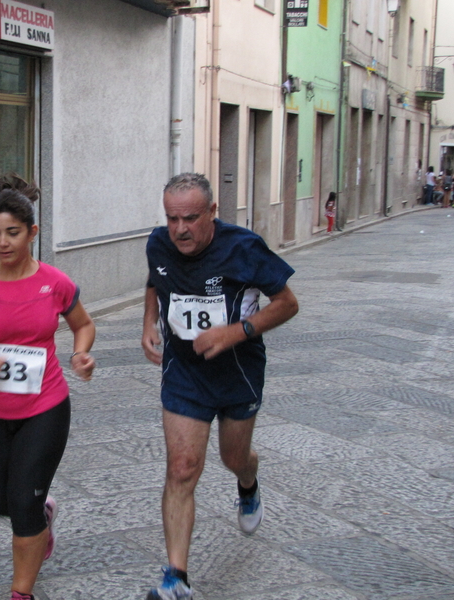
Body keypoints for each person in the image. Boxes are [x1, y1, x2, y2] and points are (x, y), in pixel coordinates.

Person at [141, 173, 299, 600]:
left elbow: (288, 303)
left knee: (234, 457)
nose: (180, 230)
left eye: (190, 218)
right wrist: (147, 323)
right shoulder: (159, 242)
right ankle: (176, 577)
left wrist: (236, 332)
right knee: (181, 468)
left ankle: (248, 482)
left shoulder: (244, 247)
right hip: (184, 372)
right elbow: (156, 278)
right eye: (172, 219)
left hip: (237, 371)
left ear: (212, 212)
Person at [0, 173, 96, 600]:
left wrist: (81, 353)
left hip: (45, 405)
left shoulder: (54, 282)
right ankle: (44, 515)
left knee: (22, 504)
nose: (3, 243)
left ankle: (21, 592)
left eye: (12, 233)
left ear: (32, 233)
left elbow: (83, 324)